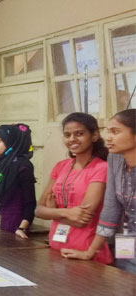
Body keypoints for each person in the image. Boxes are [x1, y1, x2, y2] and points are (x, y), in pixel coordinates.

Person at [61, 110, 135, 271]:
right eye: (108, 131)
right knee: (125, 284)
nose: (108, 138)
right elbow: (110, 209)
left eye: (115, 132)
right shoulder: (115, 158)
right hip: (127, 244)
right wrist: (90, 252)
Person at [35, 112, 110, 263]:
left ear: (94, 135)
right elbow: (38, 211)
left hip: (86, 252)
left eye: (79, 134)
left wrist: (52, 212)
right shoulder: (61, 166)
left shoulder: (101, 168)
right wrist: (66, 212)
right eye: (67, 135)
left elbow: (81, 220)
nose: (72, 139)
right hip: (56, 247)